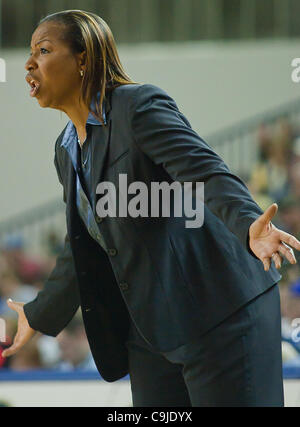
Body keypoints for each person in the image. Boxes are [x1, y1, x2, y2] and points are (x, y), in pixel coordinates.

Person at [3, 10, 300, 407]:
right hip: (151, 330)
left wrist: (249, 223)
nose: (28, 63)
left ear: (83, 59)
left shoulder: (135, 106)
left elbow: (204, 169)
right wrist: (39, 313)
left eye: (43, 49)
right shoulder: (66, 150)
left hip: (220, 311)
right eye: (29, 52)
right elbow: (82, 249)